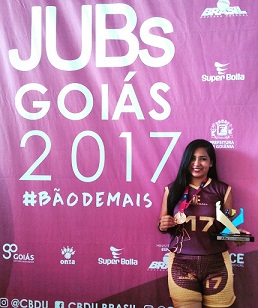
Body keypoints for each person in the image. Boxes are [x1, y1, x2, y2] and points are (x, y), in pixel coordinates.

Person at [158, 139, 248, 308]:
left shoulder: (223, 190)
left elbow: (227, 228)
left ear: (211, 162)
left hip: (216, 262)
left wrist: (238, 236)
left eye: (203, 158)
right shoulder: (172, 189)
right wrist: (164, 224)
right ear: (186, 161)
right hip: (181, 263)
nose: (197, 163)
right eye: (192, 158)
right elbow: (162, 226)